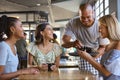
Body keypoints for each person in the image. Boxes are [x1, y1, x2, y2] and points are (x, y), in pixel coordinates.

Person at [62, 3, 109, 75]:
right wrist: (73, 43)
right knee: (83, 77)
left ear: (93, 13)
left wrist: (91, 59)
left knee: (97, 77)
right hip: (82, 55)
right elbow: (64, 43)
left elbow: (103, 47)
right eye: (82, 17)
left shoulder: (99, 25)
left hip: (97, 55)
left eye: (88, 17)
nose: (85, 20)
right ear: (79, 14)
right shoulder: (72, 23)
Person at [77, 15, 120, 80]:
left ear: (109, 27)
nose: (99, 30)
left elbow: (107, 72)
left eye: (101, 28)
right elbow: (102, 68)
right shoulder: (108, 45)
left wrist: (88, 58)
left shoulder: (118, 44)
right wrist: (84, 50)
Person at [0, 15, 39, 80]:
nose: (23, 29)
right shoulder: (3, 46)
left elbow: (12, 72)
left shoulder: (14, 47)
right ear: (12, 29)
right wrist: (22, 71)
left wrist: (27, 71)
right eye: (21, 26)